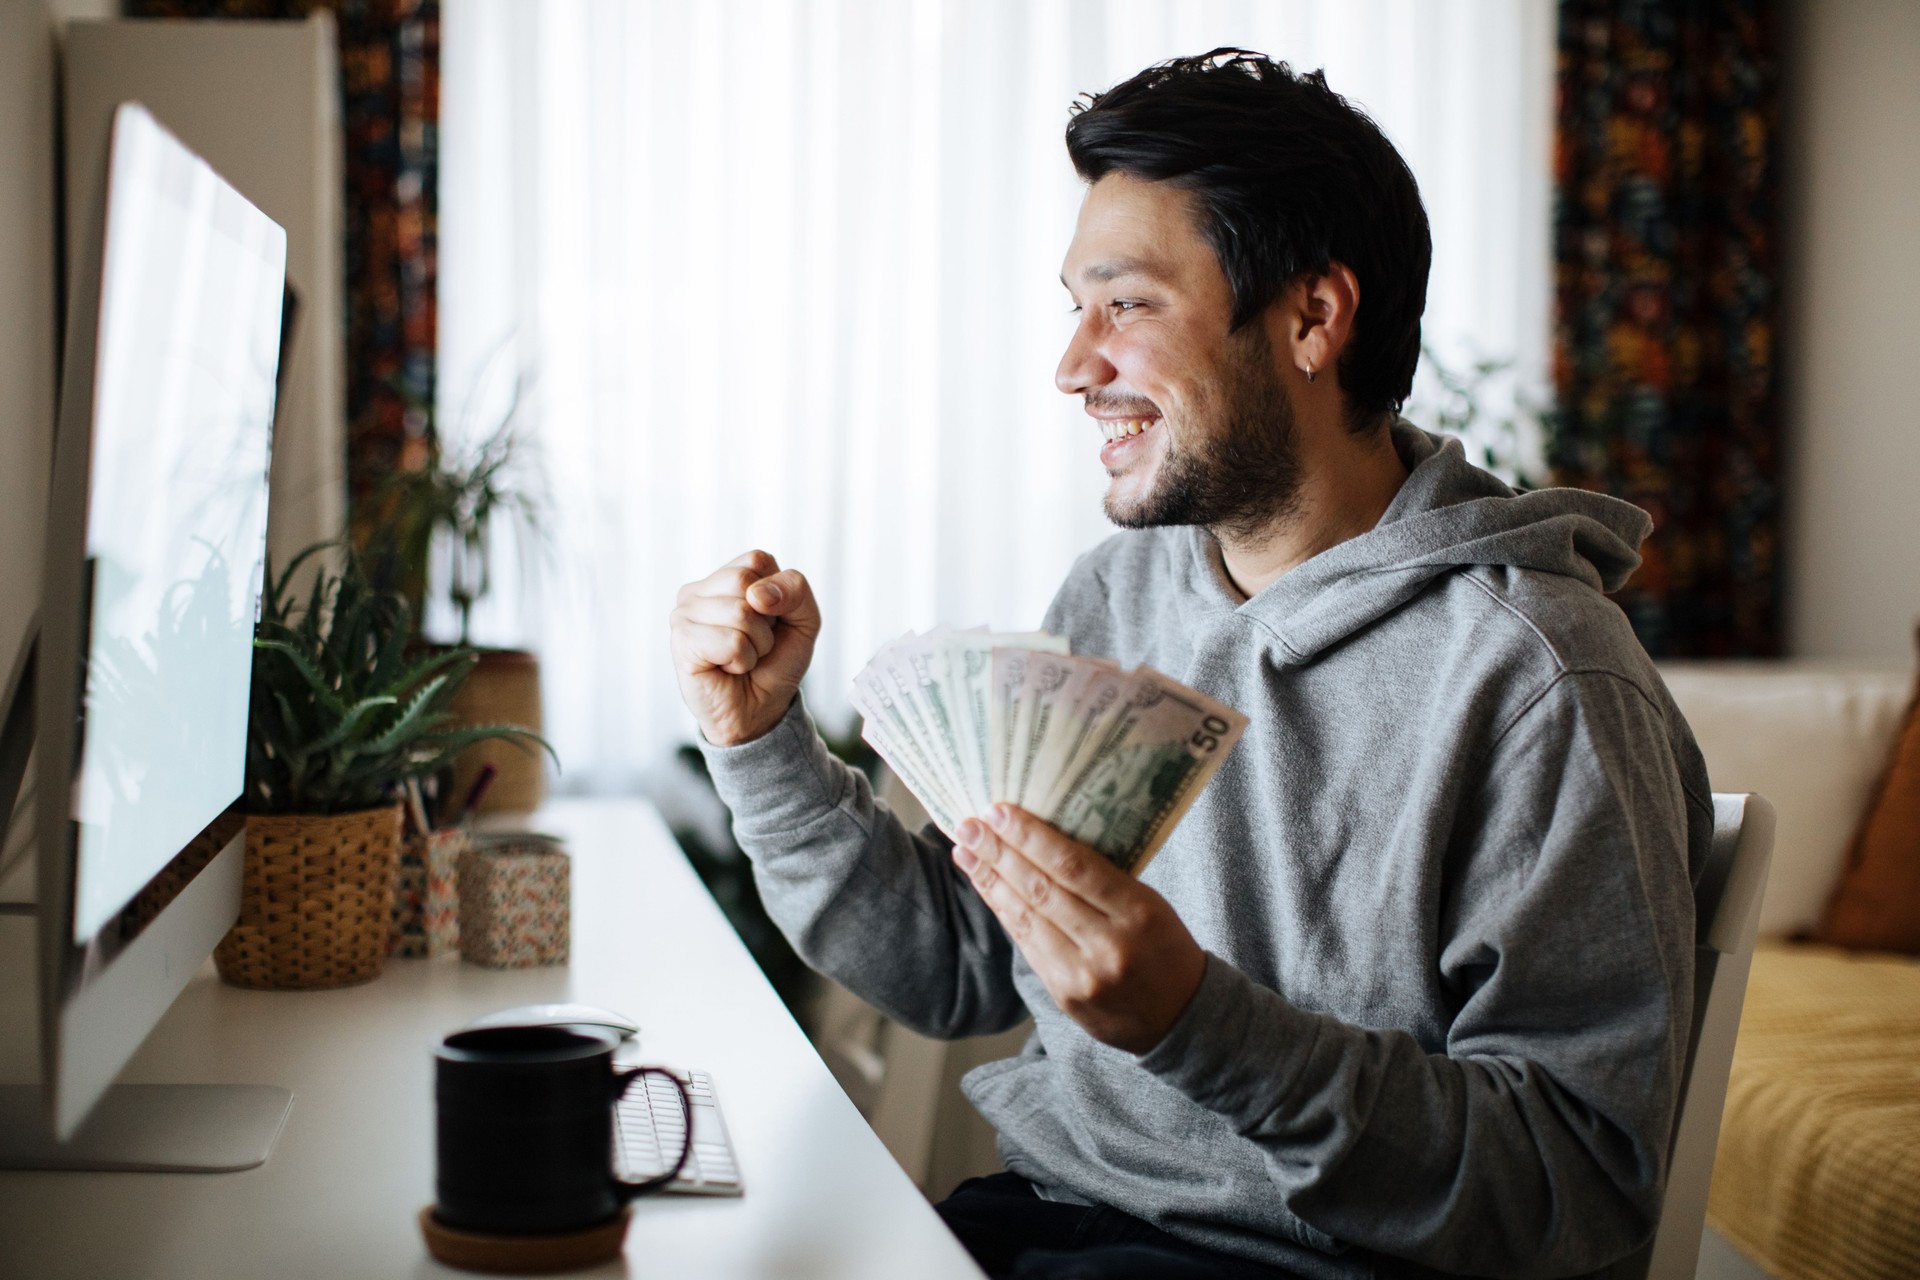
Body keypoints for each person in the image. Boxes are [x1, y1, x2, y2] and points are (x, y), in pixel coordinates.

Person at [668, 50, 1711, 1280]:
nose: (1073, 365)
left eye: (1129, 303)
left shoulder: (1536, 680)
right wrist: (759, 743)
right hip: (1045, 1223)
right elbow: (963, 961)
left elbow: (1580, 1186)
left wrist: (1199, 1025)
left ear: (1314, 318)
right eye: (1075, 306)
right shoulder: (1122, 593)